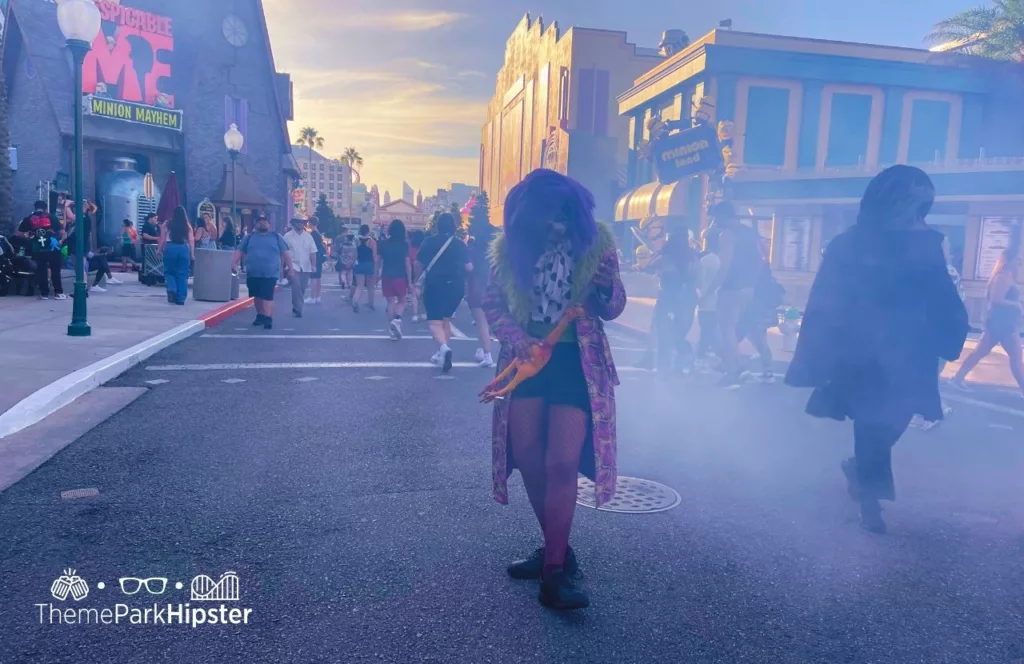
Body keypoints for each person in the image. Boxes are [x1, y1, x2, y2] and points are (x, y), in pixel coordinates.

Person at [785, 165, 969, 534]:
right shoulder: (849, 244)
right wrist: (820, 352)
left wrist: (951, 330)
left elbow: (941, 295)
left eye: (920, 207)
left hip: (908, 350)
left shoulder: (928, 243)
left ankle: (859, 472)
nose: (914, 214)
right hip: (860, 350)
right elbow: (825, 299)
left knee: (894, 420)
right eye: (909, 204)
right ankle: (870, 501)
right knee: (872, 422)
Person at [483, 169, 626, 610]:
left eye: (563, 212)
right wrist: (515, 335)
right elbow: (492, 304)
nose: (555, 222)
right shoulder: (509, 250)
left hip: (576, 363)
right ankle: (556, 548)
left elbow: (615, 305)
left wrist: (604, 288)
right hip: (527, 361)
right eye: (546, 215)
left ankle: (554, 573)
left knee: (562, 463)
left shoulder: (597, 245)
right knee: (528, 457)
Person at [704, 203, 764, 387]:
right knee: (733, 329)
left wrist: (709, 290)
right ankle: (736, 367)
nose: (714, 222)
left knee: (725, 331)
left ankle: (733, 372)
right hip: (749, 288)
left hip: (731, 288)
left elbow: (725, 266)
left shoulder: (727, 234)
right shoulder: (749, 231)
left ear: (723, 216)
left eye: (715, 217)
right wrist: (753, 284)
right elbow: (762, 258)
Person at [950, 248, 1024, 398]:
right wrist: (1016, 305)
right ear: (1008, 260)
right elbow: (996, 299)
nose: (1019, 262)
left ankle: (957, 379)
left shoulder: (1007, 275)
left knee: (980, 352)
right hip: (1002, 324)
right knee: (1016, 357)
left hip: (1001, 322)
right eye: (1017, 259)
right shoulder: (1002, 276)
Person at [417, 212, 471, 373]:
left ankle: (444, 347)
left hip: (435, 284)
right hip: (456, 286)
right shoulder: (460, 244)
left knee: (434, 322)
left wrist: (416, 281)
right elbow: (469, 267)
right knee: (446, 320)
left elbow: (418, 263)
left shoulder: (429, 242)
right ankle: (442, 352)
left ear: (437, 225)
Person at [648, 229, 699, 376]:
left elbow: (649, 265)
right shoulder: (692, 257)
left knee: (664, 333)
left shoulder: (666, 257)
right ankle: (682, 362)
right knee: (679, 332)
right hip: (688, 298)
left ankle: (664, 368)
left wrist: (659, 253)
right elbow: (697, 277)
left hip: (667, 298)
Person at [234, 215, 293, 330]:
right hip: (253, 272)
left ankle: (268, 318)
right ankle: (260, 315)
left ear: (269, 225)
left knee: (267, 296)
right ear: (255, 225)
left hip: (270, 273)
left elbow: (285, 253)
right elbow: (239, 250)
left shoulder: (276, 237)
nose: (262, 223)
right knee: (257, 295)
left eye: (265, 222)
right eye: (259, 222)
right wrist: (233, 263)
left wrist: (290, 268)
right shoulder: (249, 237)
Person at [737, 259, 784, 383]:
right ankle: (767, 370)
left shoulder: (756, 283)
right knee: (761, 342)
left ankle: (767, 371)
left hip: (754, 315)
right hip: (764, 315)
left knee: (759, 342)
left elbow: (749, 299)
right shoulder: (769, 282)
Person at [19, 200, 65, 300]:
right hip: (53, 247)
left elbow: (20, 233)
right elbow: (61, 232)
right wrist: (60, 240)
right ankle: (58, 292)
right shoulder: (52, 217)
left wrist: (29, 236)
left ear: (35, 208)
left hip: (37, 248)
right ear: (45, 208)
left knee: (41, 270)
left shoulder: (28, 219)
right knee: (55, 270)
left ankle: (44, 294)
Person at [377, 219, 413, 340]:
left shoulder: (383, 244)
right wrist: (410, 281)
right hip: (400, 277)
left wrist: (377, 274)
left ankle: (392, 330)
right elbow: (407, 264)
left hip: (386, 276)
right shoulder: (404, 245)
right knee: (402, 301)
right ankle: (397, 319)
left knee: (390, 302)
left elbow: (378, 261)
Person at [466, 230, 496, 367]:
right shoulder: (495, 254)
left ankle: (487, 354)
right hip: (493, 290)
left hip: (477, 290)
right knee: (486, 323)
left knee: (481, 323)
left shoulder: (472, 251)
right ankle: (481, 350)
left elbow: (469, 268)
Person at [158, 206, 195, 305]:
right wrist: (192, 254)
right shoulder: (187, 226)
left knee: (169, 272)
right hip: (183, 248)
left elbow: (162, 239)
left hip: (170, 248)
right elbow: (191, 240)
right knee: (182, 275)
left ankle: (172, 288)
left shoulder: (167, 223)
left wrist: (159, 250)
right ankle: (181, 299)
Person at [696, 228, 722, 366]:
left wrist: (701, 296)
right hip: (719, 301)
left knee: (706, 329)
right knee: (712, 329)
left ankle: (701, 355)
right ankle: (710, 354)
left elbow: (699, 281)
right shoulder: (721, 260)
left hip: (706, 301)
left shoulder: (705, 260)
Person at [283, 218, 317, 318]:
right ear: (293, 223)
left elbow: (313, 252)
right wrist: (283, 267)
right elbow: (283, 252)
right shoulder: (287, 236)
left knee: (302, 287)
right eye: (297, 222)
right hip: (293, 265)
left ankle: (295, 304)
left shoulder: (308, 236)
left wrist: (313, 265)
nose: (299, 224)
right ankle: (298, 309)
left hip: (306, 266)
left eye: (301, 222)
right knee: (296, 286)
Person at [351, 224, 377, 312]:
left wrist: (353, 263)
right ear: (368, 231)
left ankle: (355, 300)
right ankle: (371, 304)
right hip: (369, 264)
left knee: (360, 286)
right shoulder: (372, 242)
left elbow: (355, 254)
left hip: (359, 264)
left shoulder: (356, 240)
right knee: (371, 286)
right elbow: (374, 255)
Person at [306, 216, 326, 305]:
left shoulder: (313, 234)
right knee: (318, 278)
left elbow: (311, 248)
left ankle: (312, 297)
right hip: (320, 257)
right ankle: (317, 297)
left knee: (314, 278)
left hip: (315, 257)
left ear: (310, 223)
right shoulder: (318, 233)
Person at [409, 230, 425, 322]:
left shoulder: (411, 249)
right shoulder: (424, 249)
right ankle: (422, 313)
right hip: (424, 273)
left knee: (414, 294)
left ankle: (415, 314)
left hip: (413, 272)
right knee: (423, 294)